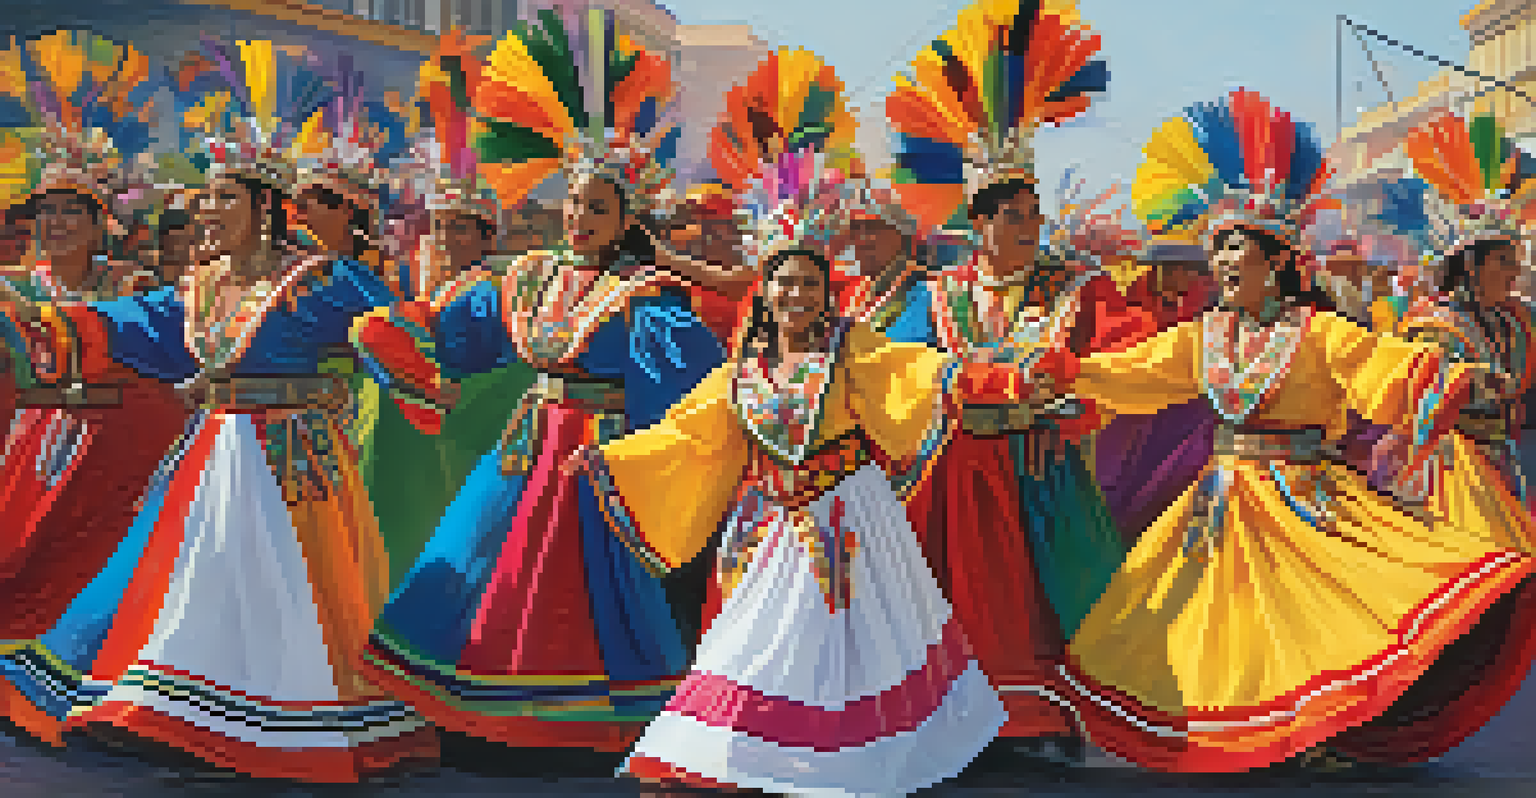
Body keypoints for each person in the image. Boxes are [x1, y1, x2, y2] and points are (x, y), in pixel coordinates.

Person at [1042, 90, 1536, 773]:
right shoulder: (1204, 337)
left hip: (1306, 499)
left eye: (1234, 251)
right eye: (1216, 252)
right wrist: (1069, 373)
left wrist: (1438, 377)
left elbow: (1377, 366)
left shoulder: (1318, 332)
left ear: (1275, 261)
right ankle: (1242, 740)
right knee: (1216, 628)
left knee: (1309, 627)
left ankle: (1307, 737)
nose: (1219, 265)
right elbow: (1139, 373)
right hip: (1220, 503)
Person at [0, 38, 435, 780]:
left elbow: (402, 333)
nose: (207, 210)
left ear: (264, 207)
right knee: (186, 581)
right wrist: (29, 311)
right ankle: (168, 714)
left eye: (223, 197)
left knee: (281, 595)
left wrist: (375, 358)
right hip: (209, 457)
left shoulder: (320, 280)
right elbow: (125, 326)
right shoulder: (197, 290)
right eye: (206, 197)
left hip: (294, 465)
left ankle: (277, 722)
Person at [580, 152, 1073, 795]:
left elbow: (922, 375)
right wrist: (609, 459)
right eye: (785, 283)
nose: (797, 295)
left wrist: (1007, 380)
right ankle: (708, 754)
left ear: (824, 293)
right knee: (754, 640)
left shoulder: (852, 347)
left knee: (846, 649)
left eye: (810, 284)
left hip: (848, 517)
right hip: (771, 525)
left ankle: (832, 759)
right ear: (767, 291)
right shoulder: (744, 370)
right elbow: (687, 433)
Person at [352, 12, 744, 755]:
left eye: (597, 207)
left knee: (574, 591)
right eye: (574, 202)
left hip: (593, 454)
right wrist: (399, 330)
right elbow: (456, 333)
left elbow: (691, 390)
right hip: (525, 449)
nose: (580, 216)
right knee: (490, 571)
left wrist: (650, 454)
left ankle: (575, 724)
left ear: (627, 217)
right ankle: (482, 712)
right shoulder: (529, 277)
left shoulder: (646, 294)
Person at [880, 0, 1132, 766]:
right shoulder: (933, 293)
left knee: (1045, 604)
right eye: (1014, 216)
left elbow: (1118, 368)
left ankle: (1042, 721)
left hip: (1043, 473)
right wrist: (963, 378)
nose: (1030, 226)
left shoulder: (1074, 288)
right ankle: (964, 722)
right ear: (980, 224)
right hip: (958, 476)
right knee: (964, 603)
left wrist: (1069, 399)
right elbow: (896, 369)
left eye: (1034, 213)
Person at [0, 32, 189, 746]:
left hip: (121, 457)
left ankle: (88, 686)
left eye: (69, 212)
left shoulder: (132, 290)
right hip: (37, 450)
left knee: (107, 573)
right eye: (44, 213)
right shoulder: (18, 288)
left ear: (101, 223)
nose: (52, 224)